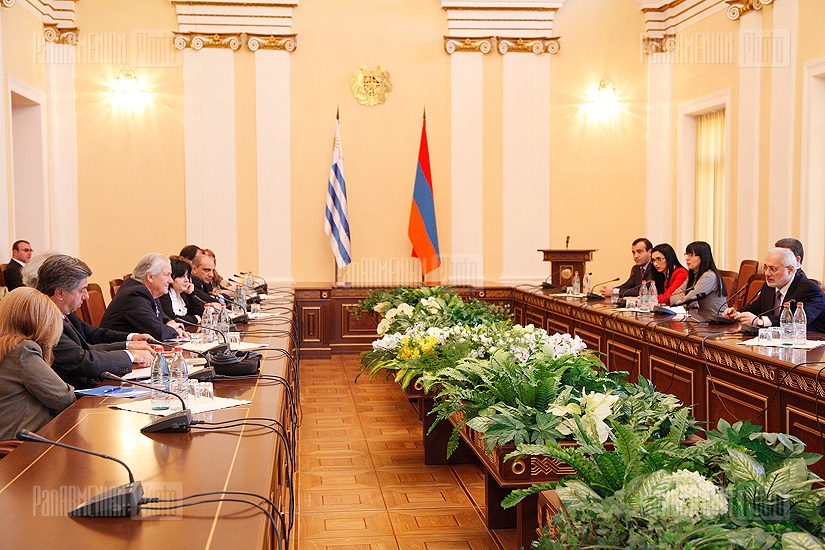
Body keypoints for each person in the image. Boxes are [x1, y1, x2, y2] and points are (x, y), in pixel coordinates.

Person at [36, 255, 155, 389]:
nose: (86, 296)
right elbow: (81, 360)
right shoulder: (45, 321)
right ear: (59, 294)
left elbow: (88, 344)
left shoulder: (64, 312)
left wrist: (129, 345)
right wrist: (130, 356)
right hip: (70, 399)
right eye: (82, 290)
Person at [0, 287, 76, 439]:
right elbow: (63, 398)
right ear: (40, 322)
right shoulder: (22, 350)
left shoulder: (6, 346)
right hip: (24, 447)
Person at [724, 247, 825, 332]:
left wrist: (759, 321)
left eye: (773, 269)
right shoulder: (769, 286)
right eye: (766, 268)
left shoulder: (810, 290)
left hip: (810, 348)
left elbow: (797, 321)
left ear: (790, 270)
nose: (767, 273)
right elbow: (755, 308)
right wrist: (736, 314)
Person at [100, 253, 187, 341]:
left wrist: (169, 322)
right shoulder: (135, 295)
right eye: (167, 275)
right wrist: (173, 330)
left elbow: (160, 316)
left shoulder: (148, 290)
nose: (171, 281)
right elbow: (158, 332)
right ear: (150, 277)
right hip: (115, 349)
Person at [669, 241, 727, 314]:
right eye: (686, 254)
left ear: (703, 256)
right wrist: (686, 300)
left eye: (691, 255)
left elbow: (688, 302)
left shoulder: (709, 276)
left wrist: (687, 300)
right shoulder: (693, 274)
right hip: (701, 318)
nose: (687, 258)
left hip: (717, 320)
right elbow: (672, 298)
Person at [159, 256, 205, 325]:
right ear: (171, 277)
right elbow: (171, 319)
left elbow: (202, 314)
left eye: (187, 276)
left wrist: (191, 294)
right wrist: (194, 319)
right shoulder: (164, 295)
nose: (186, 280)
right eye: (181, 276)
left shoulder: (183, 295)